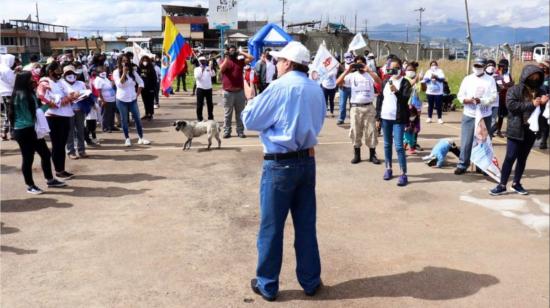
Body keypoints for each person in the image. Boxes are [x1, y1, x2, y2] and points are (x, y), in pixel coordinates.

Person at [241, 41, 324, 302]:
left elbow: (250, 120)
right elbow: (318, 121)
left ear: (288, 62)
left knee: (272, 227)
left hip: (280, 164)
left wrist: (252, 99)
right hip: (306, 161)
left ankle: (267, 283)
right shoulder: (315, 87)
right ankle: (310, 281)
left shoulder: (280, 87)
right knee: (306, 224)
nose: (275, 64)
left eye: (278, 60)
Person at [490, 65, 548, 195]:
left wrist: (544, 103)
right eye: (532, 76)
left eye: (537, 77)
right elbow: (512, 106)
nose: (535, 79)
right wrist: (532, 104)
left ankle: (516, 183)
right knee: (510, 157)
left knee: (523, 158)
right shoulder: (514, 90)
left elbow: (543, 112)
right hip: (516, 128)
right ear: (525, 76)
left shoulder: (541, 91)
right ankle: (502, 184)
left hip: (532, 129)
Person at [9, 71, 67, 194]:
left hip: (32, 129)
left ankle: (50, 180)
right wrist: (48, 105)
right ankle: (30, 185)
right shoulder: (22, 96)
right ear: (25, 81)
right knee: (28, 158)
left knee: (45, 154)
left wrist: (47, 104)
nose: (34, 80)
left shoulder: (27, 93)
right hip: (25, 130)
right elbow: (32, 114)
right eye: (31, 78)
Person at [336, 55, 382, 164]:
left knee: (371, 131)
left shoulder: (370, 75)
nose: (359, 66)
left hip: (369, 106)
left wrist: (369, 70)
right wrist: (347, 70)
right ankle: (357, 155)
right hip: (356, 107)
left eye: (361, 64)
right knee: (355, 131)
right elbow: (338, 82)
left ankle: (372, 155)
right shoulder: (352, 75)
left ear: (365, 64)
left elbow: (379, 82)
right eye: (357, 64)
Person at [454, 58, 497, 175]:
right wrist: (466, 100)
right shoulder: (467, 79)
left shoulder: (490, 80)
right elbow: (460, 95)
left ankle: (482, 166)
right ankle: (463, 164)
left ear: (484, 66)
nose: (478, 68)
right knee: (466, 140)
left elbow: (493, 96)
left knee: (483, 140)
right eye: (476, 65)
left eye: (480, 66)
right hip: (469, 113)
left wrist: (481, 100)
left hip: (484, 114)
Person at [37, 61, 78, 180]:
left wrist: (70, 96)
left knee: (62, 144)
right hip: (54, 117)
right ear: (51, 71)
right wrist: (64, 100)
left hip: (65, 116)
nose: (60, 72)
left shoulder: (59, 82)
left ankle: (61, 169)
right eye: (58, 70)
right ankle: (58, 170)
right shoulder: (45, 82)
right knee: (57, 145)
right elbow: (45, 98)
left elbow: (71, 92)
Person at [376, 57, 412, 186]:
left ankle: (403, 174)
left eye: (397, 67)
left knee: (398, 147)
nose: (394, 70)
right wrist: (378, 117)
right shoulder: (386, 81)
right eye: (392, 68)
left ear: (401, 69)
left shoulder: (405, 83)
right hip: (385, 118)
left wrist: (396, 92)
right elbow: (380, 99)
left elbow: (404, 100)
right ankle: (388, 169)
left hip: (398, 119)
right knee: (386, 145)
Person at [113, 53, 151, 147]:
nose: (125, 62)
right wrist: (124, 73)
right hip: (121, 100)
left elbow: (141, 82)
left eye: (126, 60)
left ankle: (141, 138)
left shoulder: (133, 72)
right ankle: (127, 139)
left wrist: (138, 92)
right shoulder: (116, 72)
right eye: (123, 61)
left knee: (137, 119)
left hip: (132, 99)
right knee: (124, 120)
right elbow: (119, 85)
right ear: (120, 62)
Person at [219, 45, 254, 138]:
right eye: (231, 50)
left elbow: (251, 58)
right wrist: (226, 57)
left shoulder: (240, 61)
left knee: (240, 113)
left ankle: (240, 131)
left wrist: (241, 52)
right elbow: (221, 69)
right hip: (228, 92)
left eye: (234, 50)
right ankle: (227, 131)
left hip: (239, 92)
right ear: (227, 52)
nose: (232, 52)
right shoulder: (224, 61)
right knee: (228, 114)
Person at [62, 65, 89, 159]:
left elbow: (86, 93)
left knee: (80, 130)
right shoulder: (61, 84)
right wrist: (71, 96)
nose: (70, 75)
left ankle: (81, 150)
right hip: (68, 111)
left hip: (80, 110)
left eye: (72, 73)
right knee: (69, 132)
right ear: (64, 75)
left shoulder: (81, 83)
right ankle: (70, 151)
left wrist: (83, 95)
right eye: (68, 73)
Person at [493, 59, 514, 138]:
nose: (505, 68)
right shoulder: (496, 74)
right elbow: (501, 86)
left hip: (506, 97)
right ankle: (493, 129)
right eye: (503, 67)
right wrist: (508, 85)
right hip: (497, 98)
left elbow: (510, 84)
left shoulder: (508, 74)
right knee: (494, 115)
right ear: (500, 67)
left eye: (506, 67)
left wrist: (509, 85)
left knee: (502, 115)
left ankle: (498, 130)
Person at [94, 65, 118, 133]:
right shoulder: (98, 80)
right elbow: (99, 91)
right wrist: (102, 100)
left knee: (111, 113)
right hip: (105, 100)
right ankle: (105, 127)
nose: (103, 72)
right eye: (101, 71)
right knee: (105, 114)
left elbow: (111, 85)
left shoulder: (105, 78)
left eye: (104, 71)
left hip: (112, 99)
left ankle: (111, 126)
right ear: (98, 73)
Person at [0, 54, 16, 140]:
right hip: (9, 93)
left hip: (2, 93)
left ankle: (4, 132)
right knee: (11, 113)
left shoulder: (1, 68)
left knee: (7, 113)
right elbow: (12, 82)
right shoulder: (7, 70)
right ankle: (11, 133)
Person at [194, 56, 214, 121]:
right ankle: (199, 118)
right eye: (201, 61)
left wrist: (211, 68)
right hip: (200, 88)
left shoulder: (208, 68)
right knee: (199, 104)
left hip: (208, 88)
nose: (203, 62)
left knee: (210, 104)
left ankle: (210, 117)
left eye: (204, 60)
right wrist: (202, 70)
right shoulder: (196, 69)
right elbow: (197, 77)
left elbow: (213, 75)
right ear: (199, 62)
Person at [138, 55, 158, 120]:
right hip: (143, 88)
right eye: (143, 60)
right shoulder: (140, 68)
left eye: (146, 60)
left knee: (150, 102)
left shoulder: (151, 68)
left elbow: (154, 78)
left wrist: (153, 88)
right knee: (145, 101)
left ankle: (150, 114)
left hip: (150, 88)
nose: (145, 62)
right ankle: (146, 113)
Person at [337, 52, 354, 125]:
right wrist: (341, 81)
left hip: (353, 88)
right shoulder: (341, 66)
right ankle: (341, 118)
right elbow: (337, 75)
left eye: (349, 57)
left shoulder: (354, 66)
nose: (348, 58)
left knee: (352, 105)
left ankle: (353, 118)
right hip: (343, 88)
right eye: (347, 57)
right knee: (342, 104)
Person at [485, 59, 500, 137]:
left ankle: (489, 138)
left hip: (495, 102)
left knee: (493, 121)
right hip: (486, 103)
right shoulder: (483, 76)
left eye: (493, 65)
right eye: (489, 65)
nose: (491, 67)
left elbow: (501, 88)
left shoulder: (497, 76)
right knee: (485, 121)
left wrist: (496, 80)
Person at [538, 61, 550, 149]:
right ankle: (540, 135)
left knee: (546, 122)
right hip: (539, 102)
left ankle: (544, 141)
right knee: (540, 121)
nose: (543, 68)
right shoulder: (539, 78)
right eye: (542, 67)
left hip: (547, 103)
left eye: (544, 67)